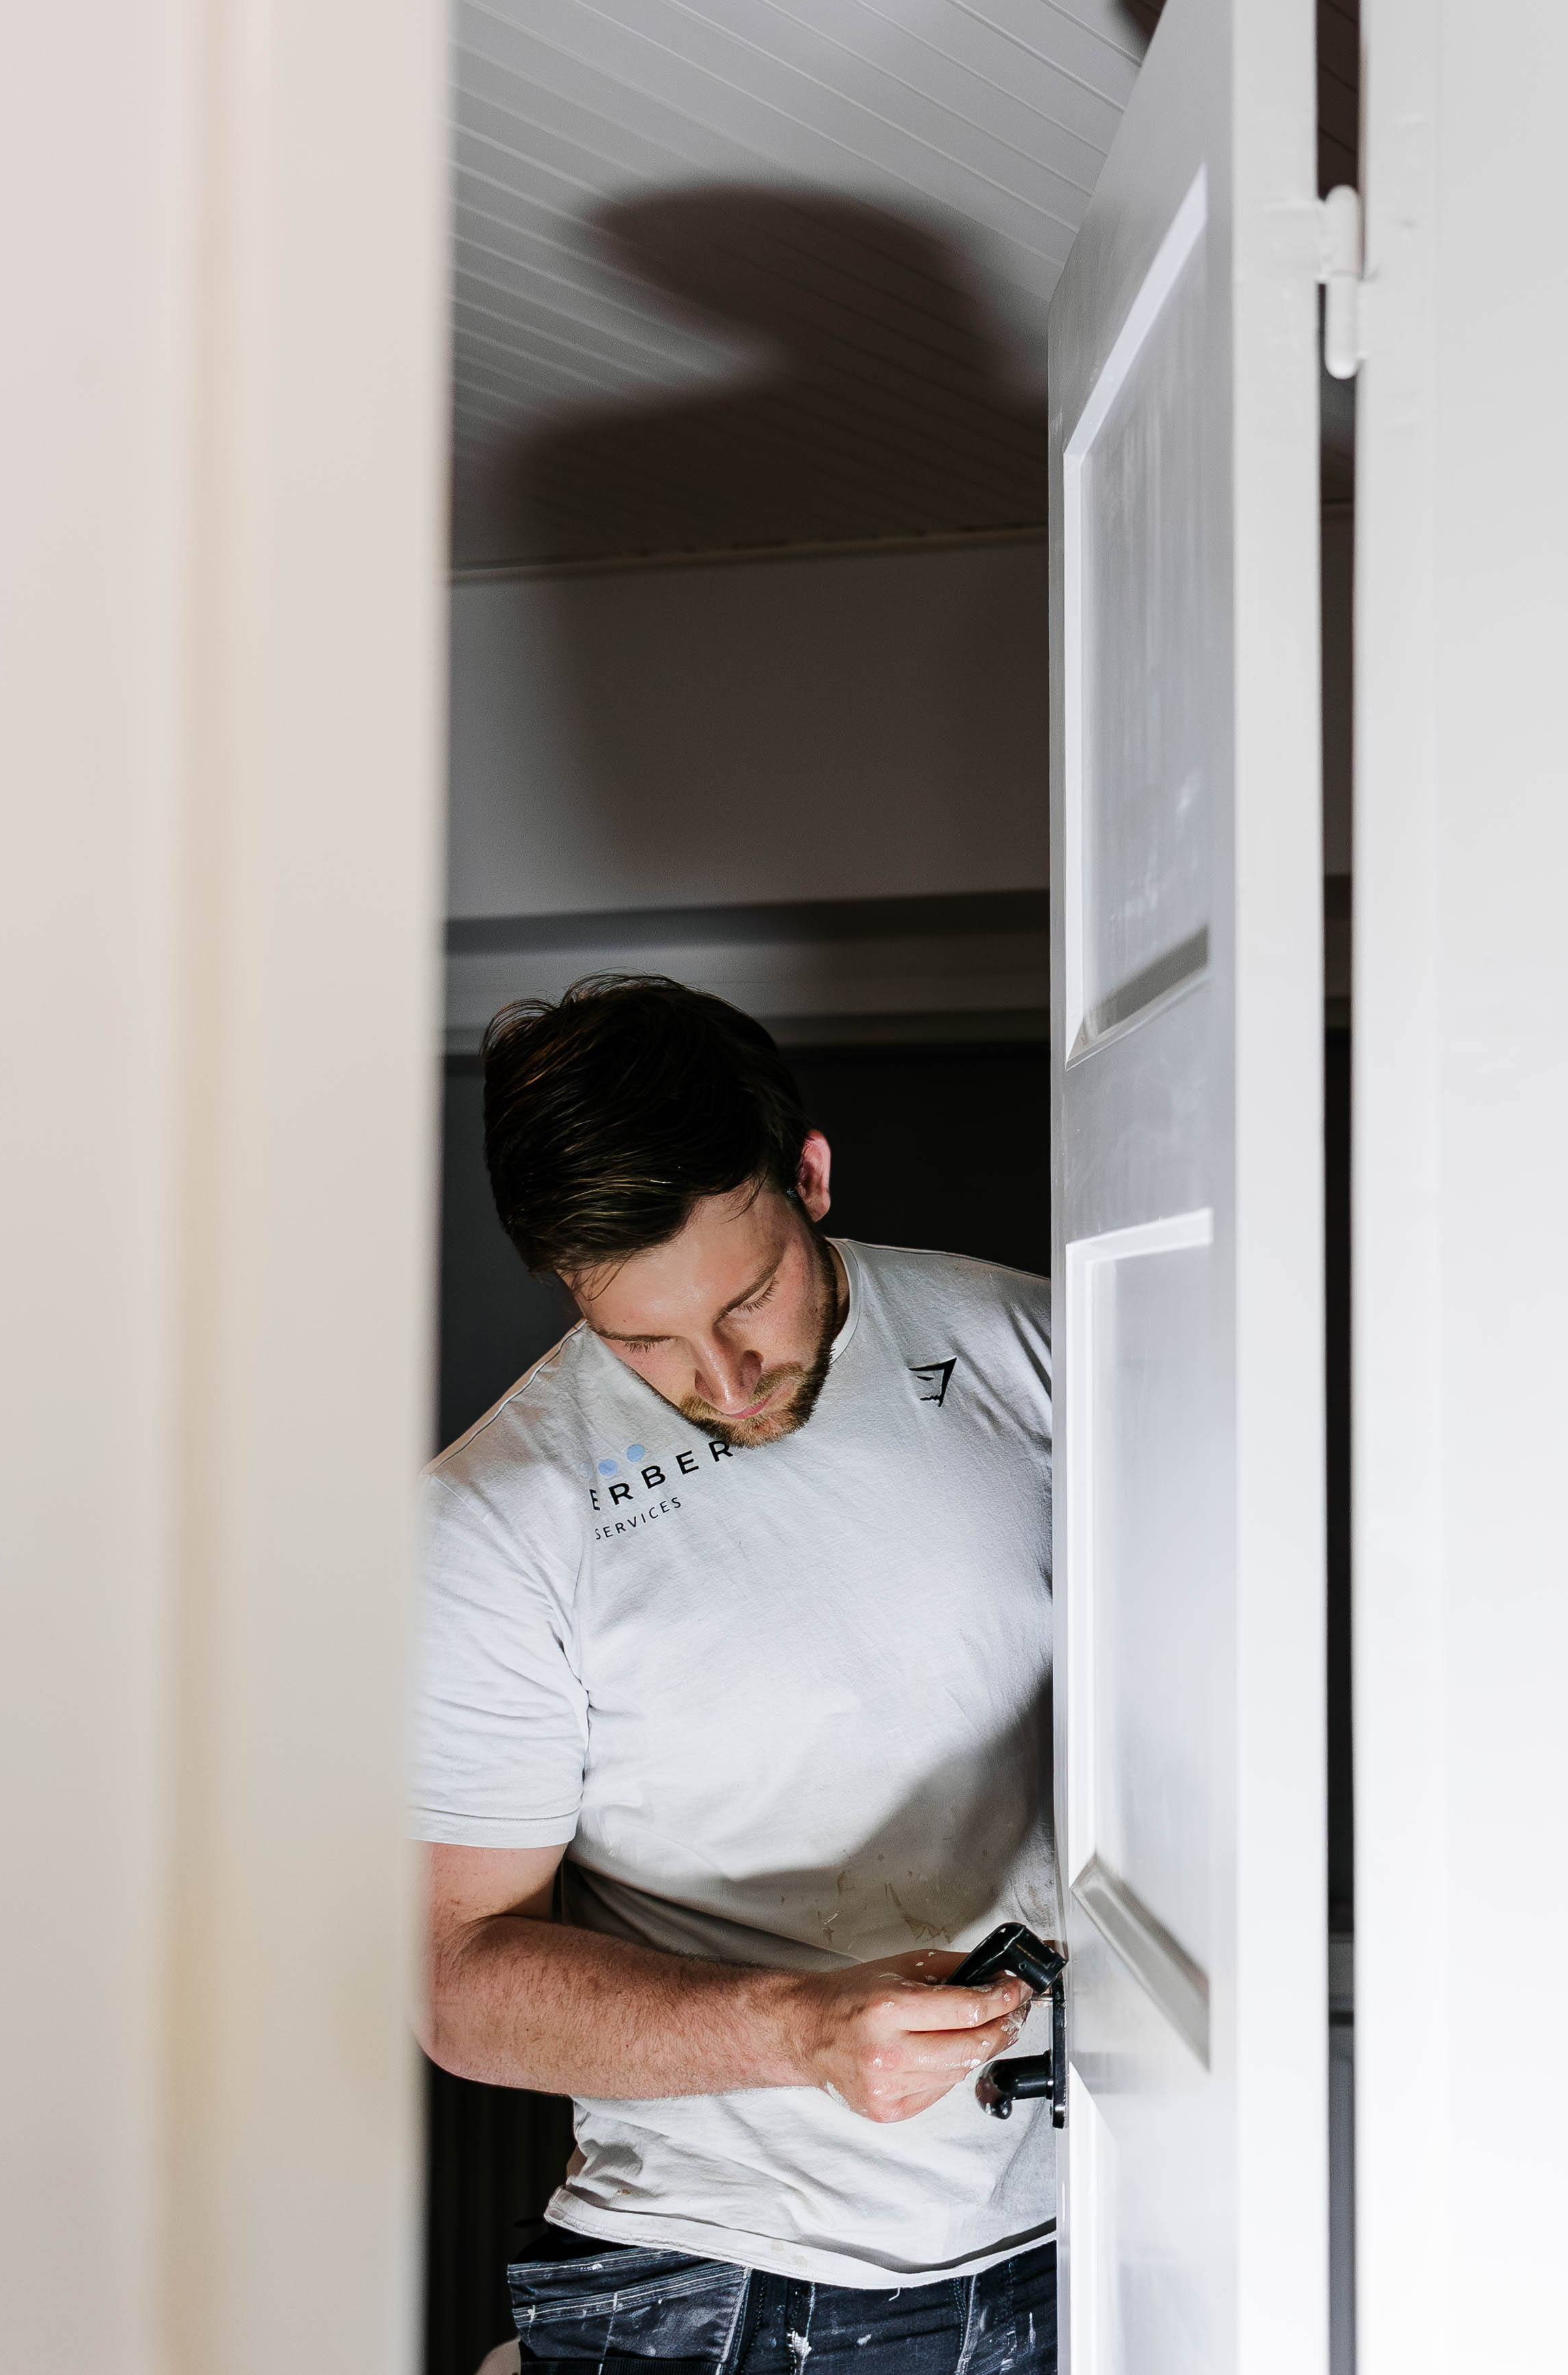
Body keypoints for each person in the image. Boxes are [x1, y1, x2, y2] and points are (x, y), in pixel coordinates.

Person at [417, 974, 1063, 2373]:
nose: (718, 1380)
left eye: (747, 1300)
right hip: (723, 2279)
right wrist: (801, 2030)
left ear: (809, 1177)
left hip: (1084, 2227)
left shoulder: (1034, 1350)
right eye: (641, 1338)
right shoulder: (492, 1519)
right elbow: (456, 1981)